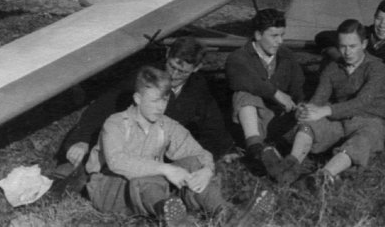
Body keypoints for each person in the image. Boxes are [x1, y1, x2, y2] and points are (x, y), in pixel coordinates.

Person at [85, 66, 274, 226]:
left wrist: (206, 170)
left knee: (192, 163)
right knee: (145, 179)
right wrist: (166, 169)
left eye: (165, 100)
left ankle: (227, 214)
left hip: (150, 187)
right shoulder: (116, 123)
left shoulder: (165, 124)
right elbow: (117, 161)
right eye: (154, 100)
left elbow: (199, 153)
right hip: (110, 189)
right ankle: (179, 221)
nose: (160, 107)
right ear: (138, 99)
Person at [54, 37, 236, 194]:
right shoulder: (146, 77)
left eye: (182, 72)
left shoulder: (198, 88)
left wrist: (205, 162)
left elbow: (214, 128)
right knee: (82, 165)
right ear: (167, 54)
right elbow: (103, 106)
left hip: (160, 148)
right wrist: (82, 139)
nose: (173, 75)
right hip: (124, 145)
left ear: (196, 68)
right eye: (171, 66)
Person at [277, 20, 385, 188]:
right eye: (343, 46)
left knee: (363, 141)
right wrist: (306, 111)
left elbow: (362, 101)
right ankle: (291, 166)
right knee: (309, 124)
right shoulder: (333, 67)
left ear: (364, 44)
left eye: (352, 46)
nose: (347, 52)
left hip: (369, 120)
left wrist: (326, 110)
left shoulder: (377, 68)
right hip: (339, 120)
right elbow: (319, 98)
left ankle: (322, 176)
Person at [225, 8, 304, 177]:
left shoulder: (286, 56)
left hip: (278, 118)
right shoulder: (239, 57)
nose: (279, 41)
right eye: (274, 36)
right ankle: (256, 148)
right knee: (244, 94)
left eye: (282, 35)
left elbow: (298, 87)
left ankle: (270, 156)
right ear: (258, 35)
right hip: (252, 121)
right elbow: (241, 79)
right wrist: (275, 93)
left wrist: (300, 105)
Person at [315, 0, 385, 126]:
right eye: (379, 19)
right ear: (374, 17)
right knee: (331, 59)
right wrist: (338, 56)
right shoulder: (364, 34)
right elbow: (323, 36)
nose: (382, 25)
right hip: (361, 75)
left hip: (384, 78)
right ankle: (335, 104)